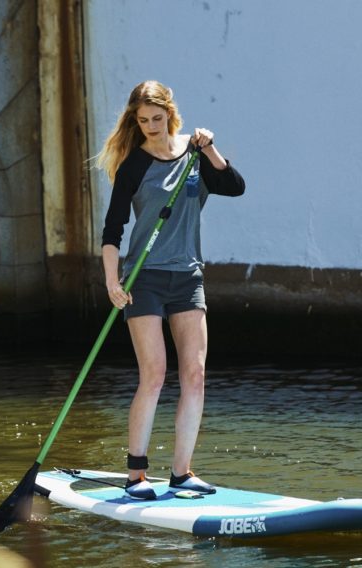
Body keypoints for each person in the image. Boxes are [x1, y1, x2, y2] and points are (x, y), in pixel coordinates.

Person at [97, 80, 245, 500]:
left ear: (170, 114)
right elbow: (112, 230)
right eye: (142, 121)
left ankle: (181, 473)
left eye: (157, 120)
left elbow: (235, 186)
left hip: (188, 277)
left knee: (195, 375)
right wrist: (112, 280)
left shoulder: (195, 156)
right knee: (155, 375)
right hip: (143, 277)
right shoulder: (133, 165)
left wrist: (211, 147)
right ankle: (136, 476)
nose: (151, 127)